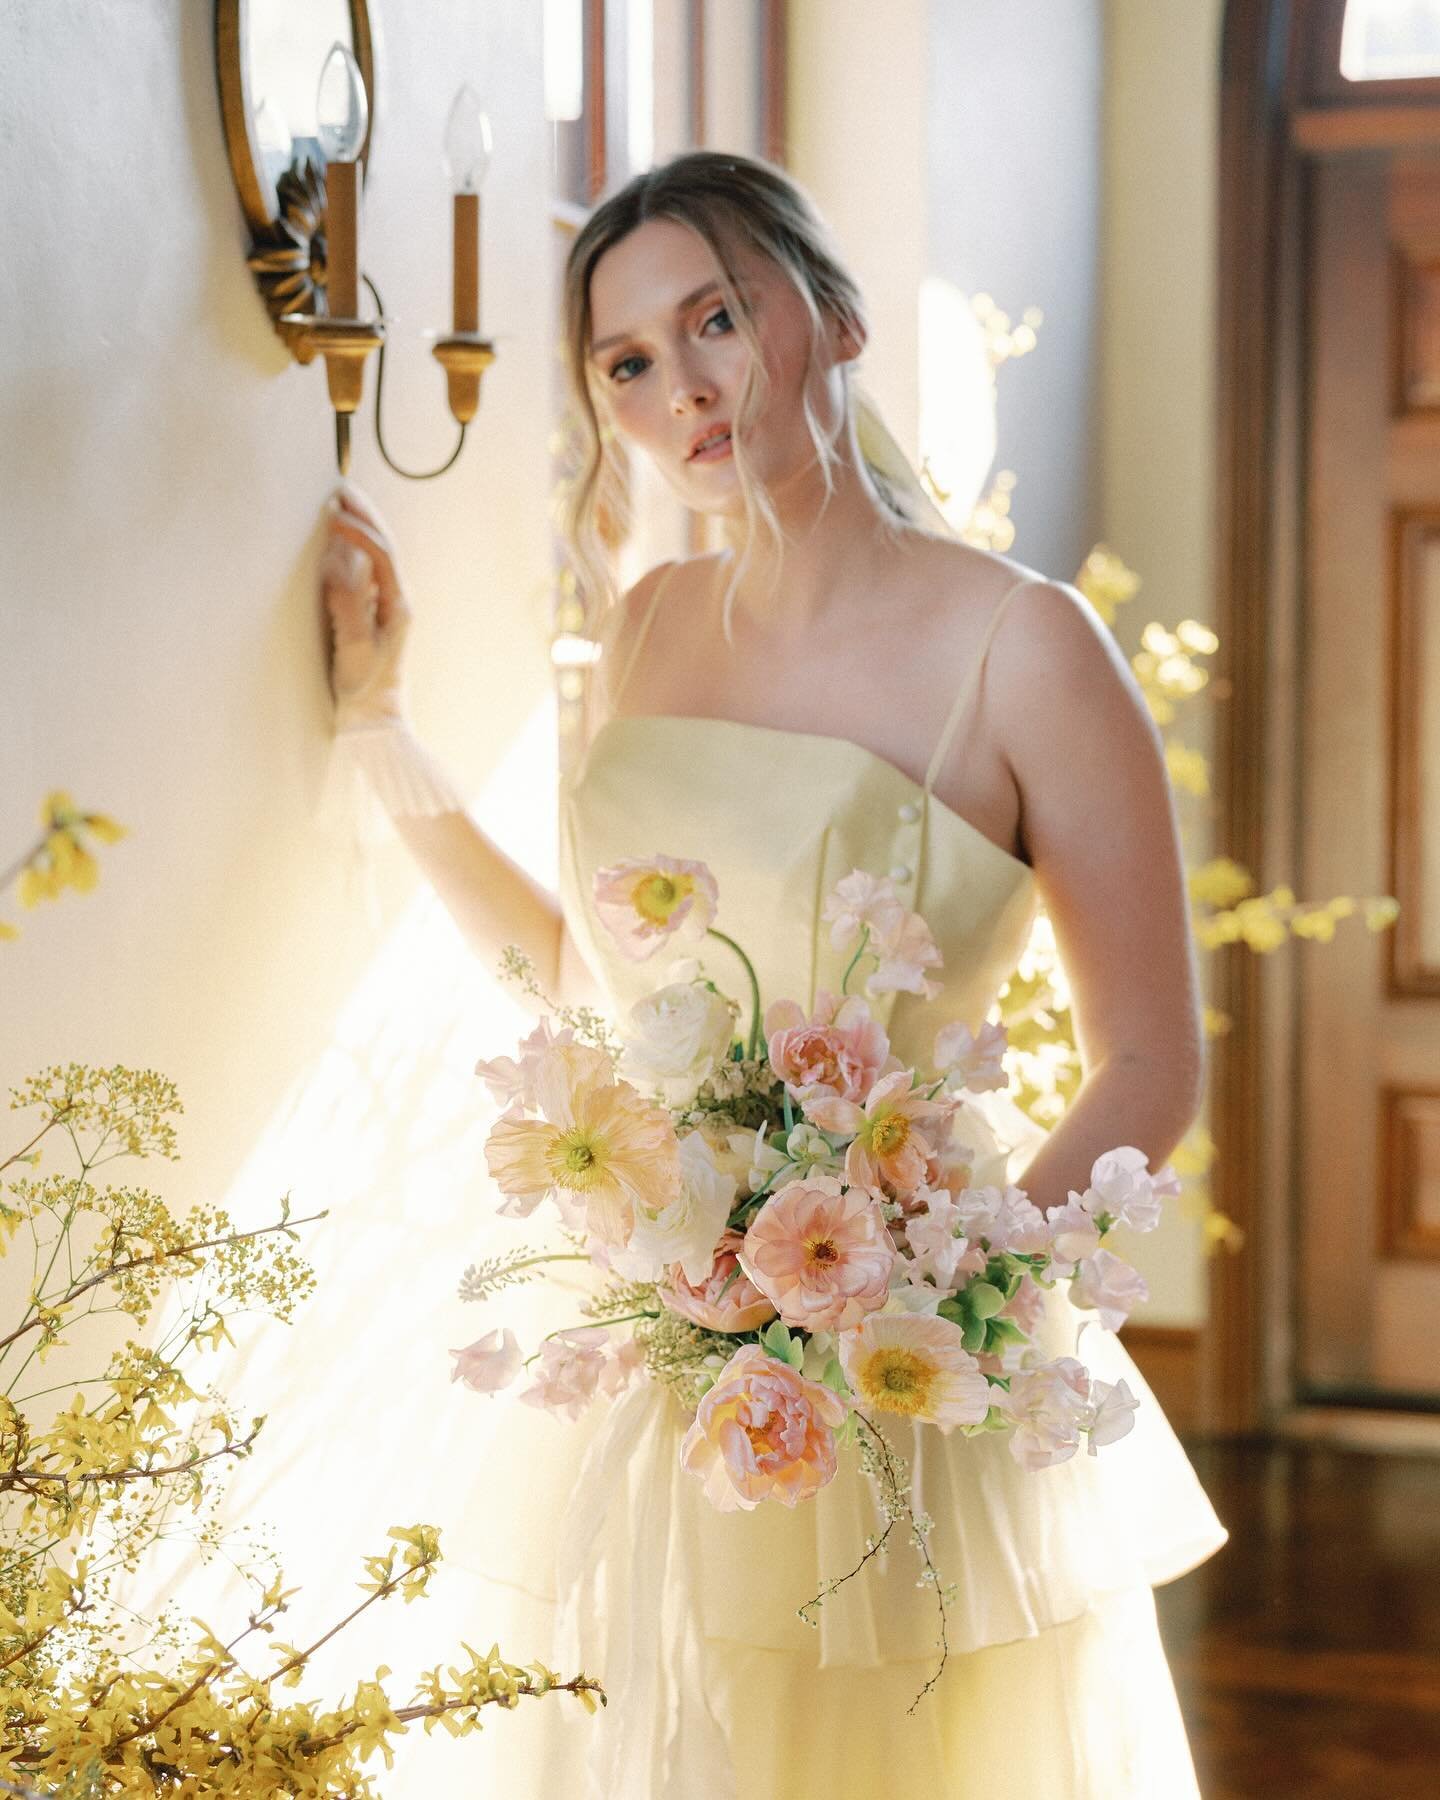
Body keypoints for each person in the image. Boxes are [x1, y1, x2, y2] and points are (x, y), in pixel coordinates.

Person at [321, 149, 1227, 1799]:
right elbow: (595, 981)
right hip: (674, 1359)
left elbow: (1152, 1060)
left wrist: (934, 1307)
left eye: (717, 318)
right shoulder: (654, 625)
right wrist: (380, 733)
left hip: (913, 1383)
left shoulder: (1027, 648)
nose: (685, 388)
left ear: (838, 318)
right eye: (629, 362)